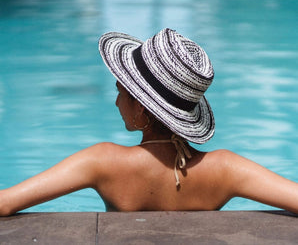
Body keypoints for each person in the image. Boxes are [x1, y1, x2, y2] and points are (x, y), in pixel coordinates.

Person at [0, 28, 297, 216]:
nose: (116, 101)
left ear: (141, 109)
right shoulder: (226, 169)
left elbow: (5, 203)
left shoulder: (102, 162)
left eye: (120, 92)